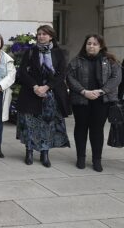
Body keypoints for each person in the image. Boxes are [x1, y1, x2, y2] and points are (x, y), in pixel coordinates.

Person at [17, 25, 71, 167]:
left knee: (47, 124)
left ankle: (44, 153)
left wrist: (46, 87)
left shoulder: (59, 53)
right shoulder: (30, 52)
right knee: (30, 124)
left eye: (44, 34)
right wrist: (35, 87)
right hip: (31, 93)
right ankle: (29, 151)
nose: (41, 36)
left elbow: (62, 73)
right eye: (39, 34)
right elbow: (22, 72)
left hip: (50, 94)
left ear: (51, 36)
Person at [66, 34, 121, 171]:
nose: (91, 46)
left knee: (97, 130)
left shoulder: (110, 61)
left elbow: (116, 78)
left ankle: (97, 160)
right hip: (81, 99)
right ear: (85, 45)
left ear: (101, 46)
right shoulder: (76, 61)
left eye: (95, 44)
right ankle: (81, 158)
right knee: (81, 128)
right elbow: (70, 77)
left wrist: (101, 91)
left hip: (101, 100)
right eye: (89, 43)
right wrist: (84, 91)